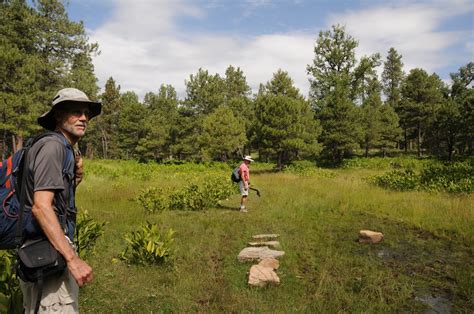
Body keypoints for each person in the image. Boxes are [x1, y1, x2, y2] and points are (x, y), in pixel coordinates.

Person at [19, 88, 101, 313]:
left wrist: (74, 179)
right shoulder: (53, 146)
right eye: (75, 112)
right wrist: (72, 259)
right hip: (46, 251)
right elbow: (41, 206)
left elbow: (54, 202)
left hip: (45, 250)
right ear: (58, 115)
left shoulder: (60, 148)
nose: (83, 118)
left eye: (86, 113)